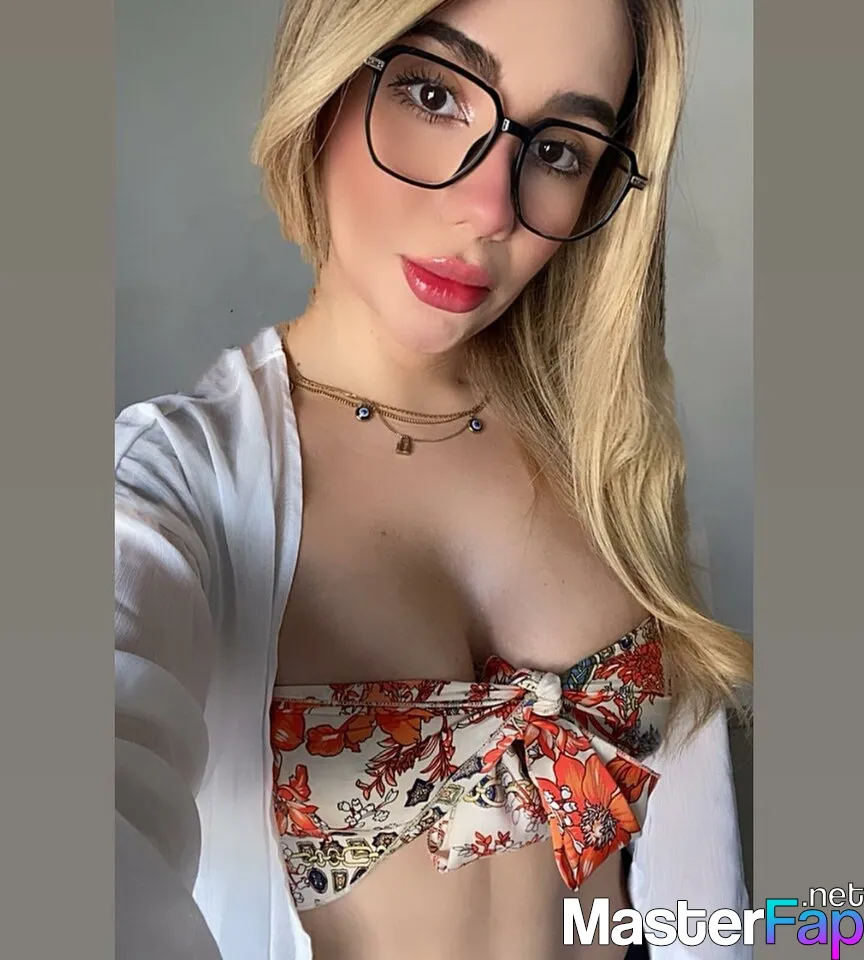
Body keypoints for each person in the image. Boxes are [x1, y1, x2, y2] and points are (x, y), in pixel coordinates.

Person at [114, 0, 753, 958]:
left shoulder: (617, 466)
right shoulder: (172, 486)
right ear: (328, 85)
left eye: (559, 151)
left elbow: (702, 902)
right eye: (434, 95)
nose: (490, 208)